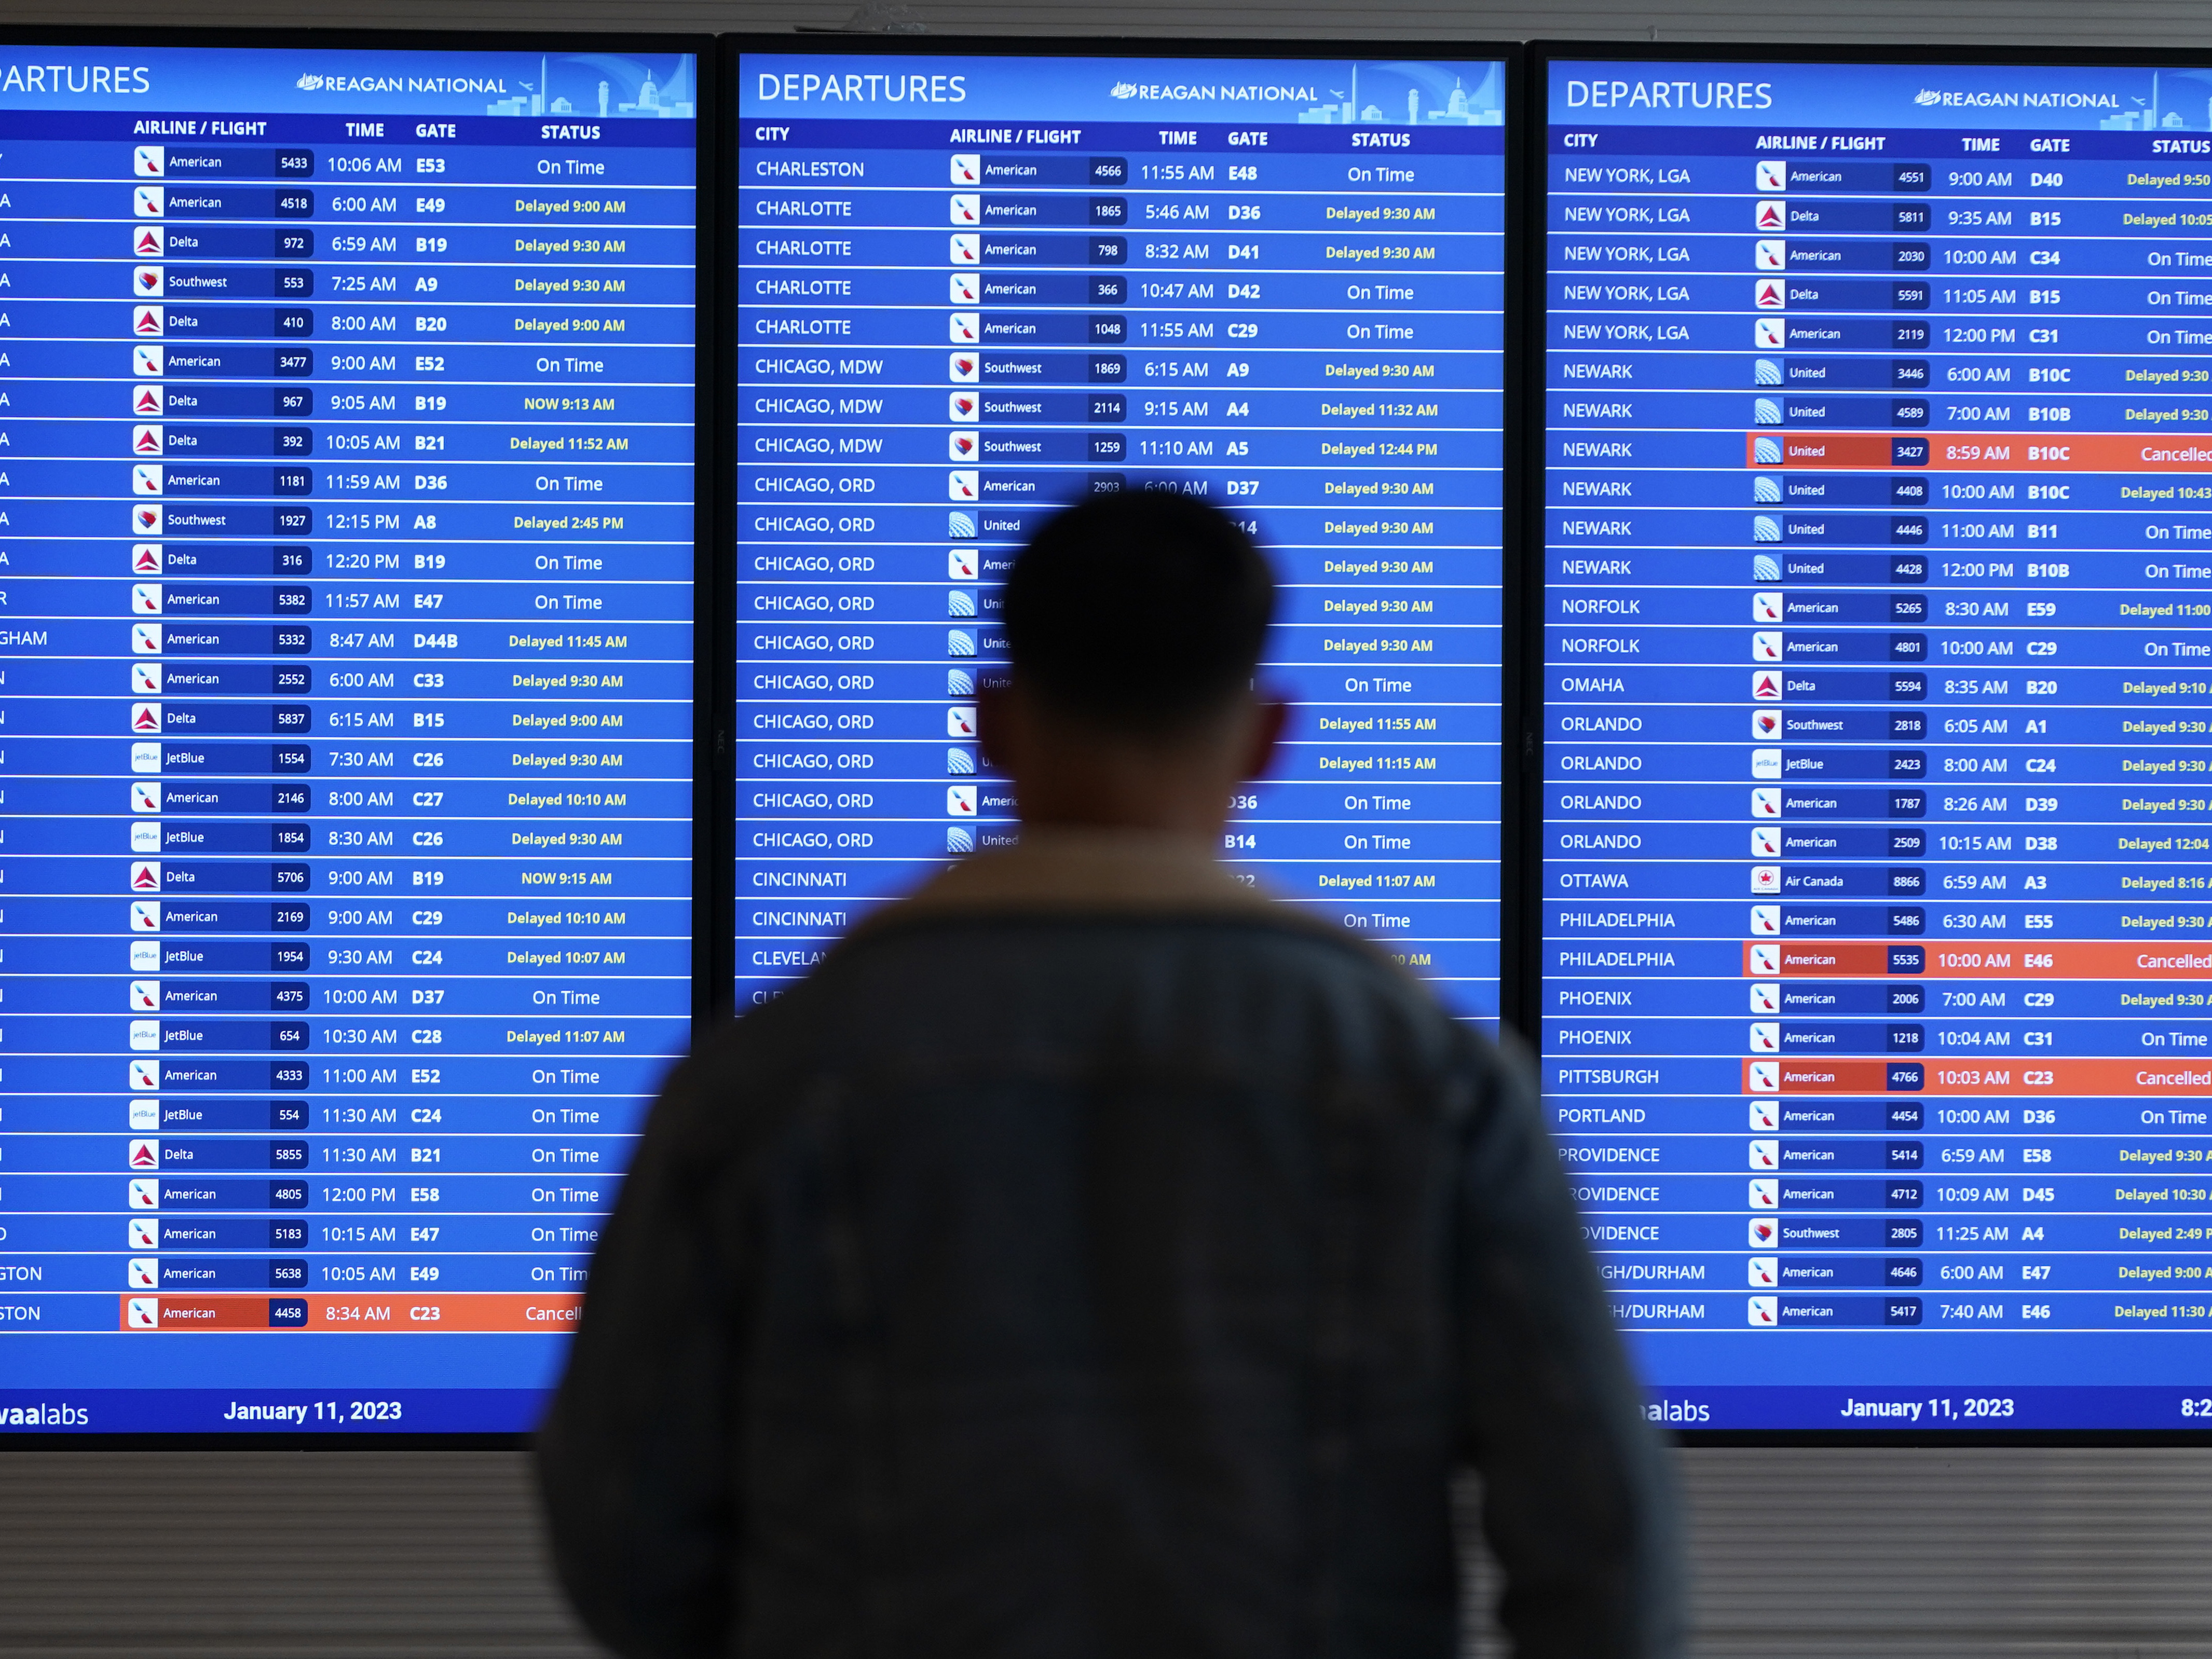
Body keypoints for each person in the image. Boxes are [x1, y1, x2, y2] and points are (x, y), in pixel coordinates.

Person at [536, 491, 1682, 1659]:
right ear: (1267, 739)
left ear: (991, 722)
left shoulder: (761, 1084)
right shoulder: (1426, 1079)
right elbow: (1602, 1548)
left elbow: (622, 1537)